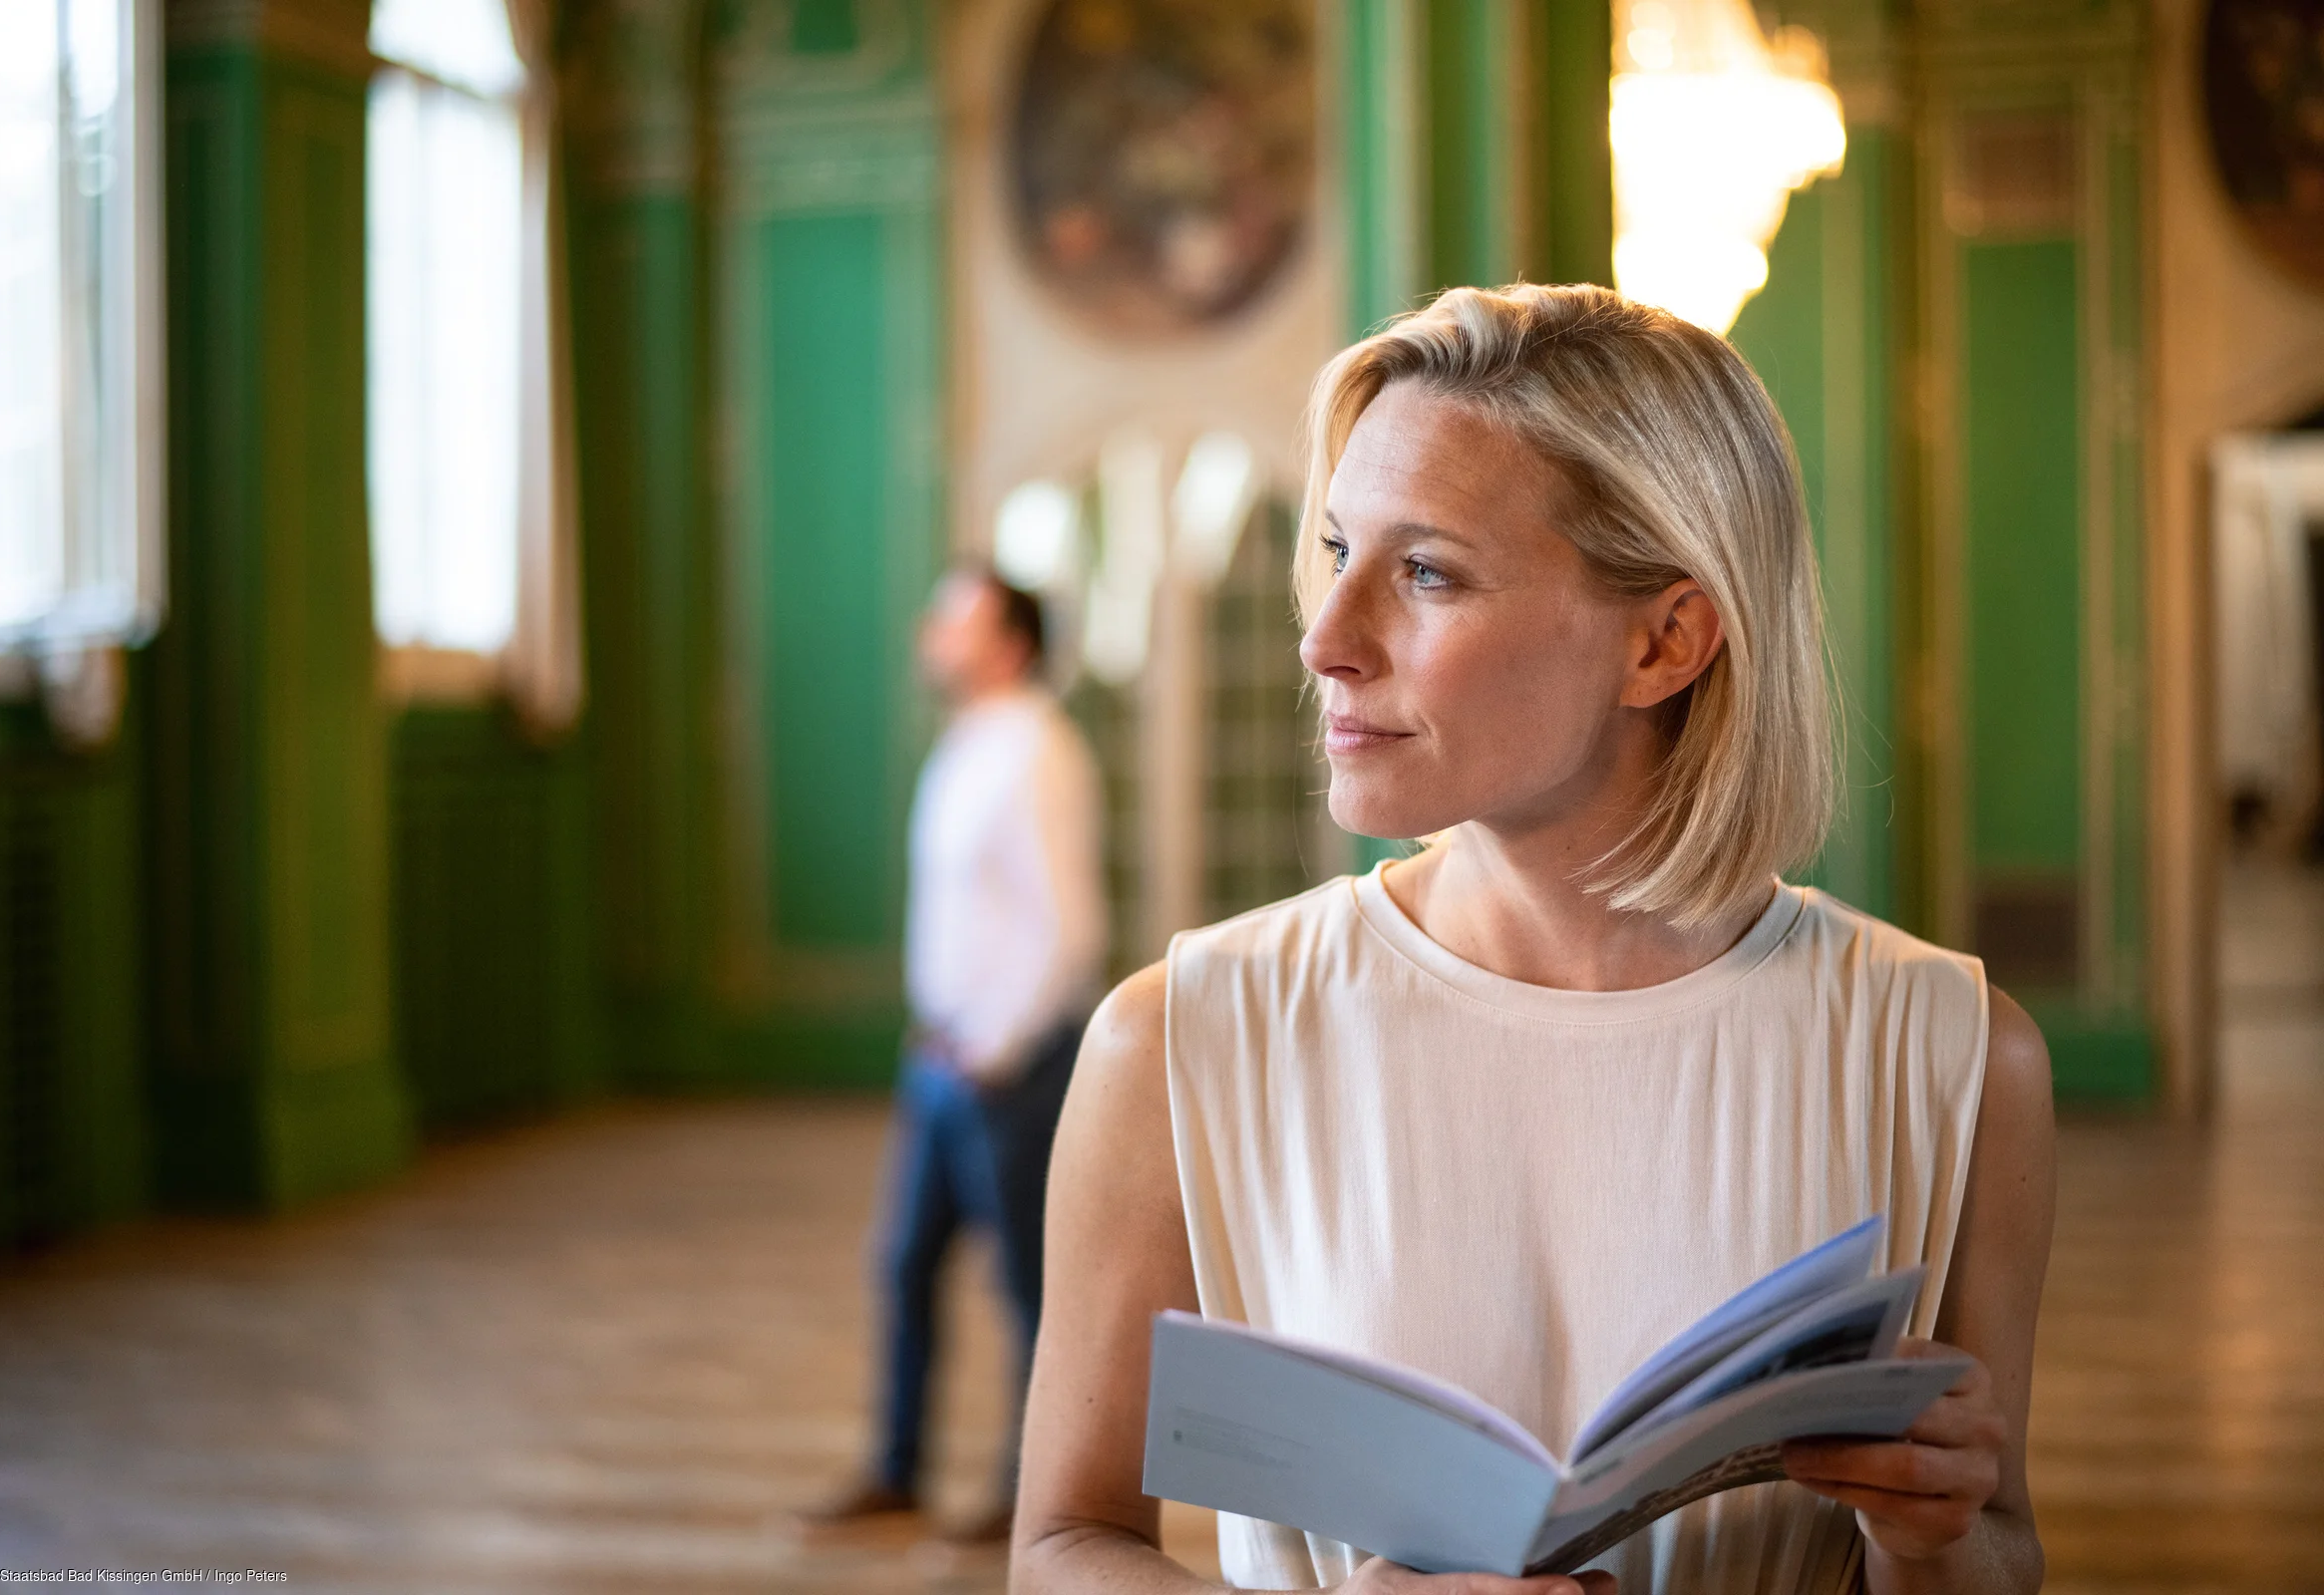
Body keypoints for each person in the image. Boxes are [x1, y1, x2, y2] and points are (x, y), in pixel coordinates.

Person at [1013, 284, 2055, 1595]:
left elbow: (2001, 1549)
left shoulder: (1953, 1055)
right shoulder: (1177, 1037)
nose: (1326, 641)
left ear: (1666, 640)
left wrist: (1929, 1537)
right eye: (1337, 552)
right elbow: (1060, 1547)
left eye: (1428, 573)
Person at [807, 566, 1107, 1545]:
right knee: (903, 1264)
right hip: (941, 1060)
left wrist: (999, 1045)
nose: (931, 631)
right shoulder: (968, 744)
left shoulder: (1039, 754)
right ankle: (896, 1472)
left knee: (1029, 1287)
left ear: (1010, 644)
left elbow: (1070, 928)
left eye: (954, 617)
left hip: (1004, 1067)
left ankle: (1035, 1493)